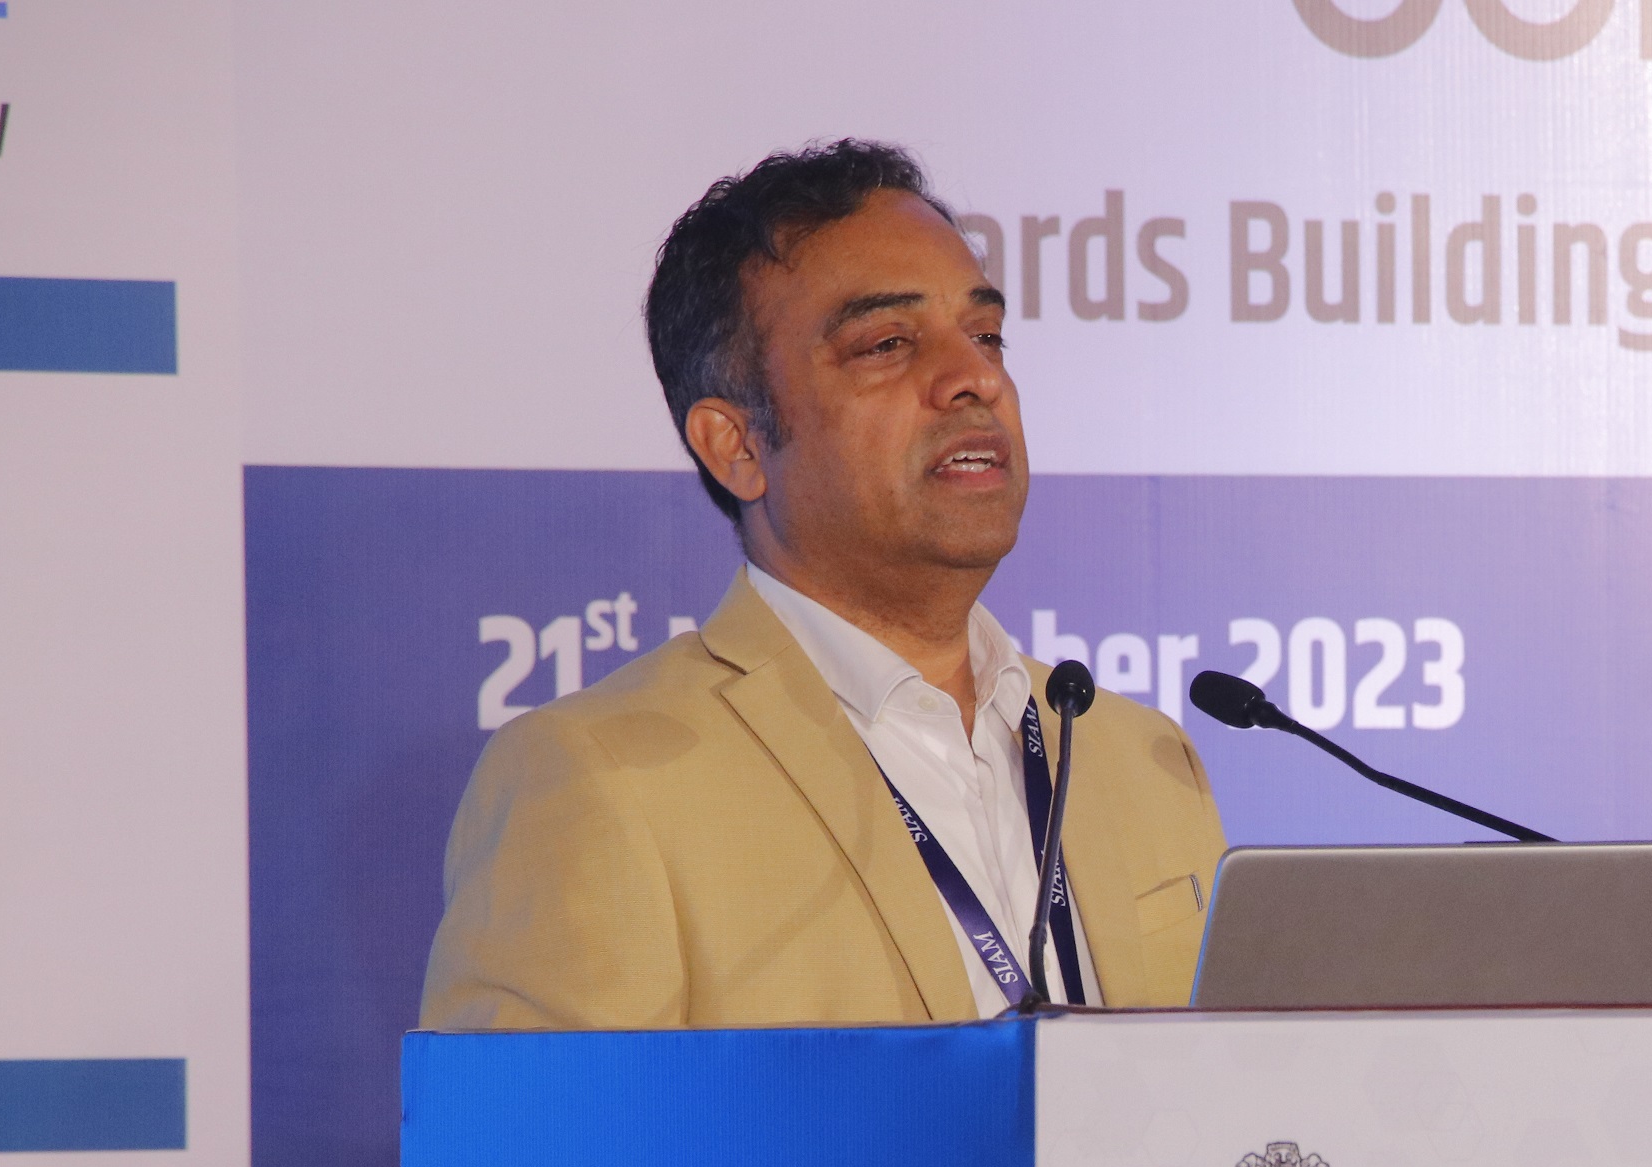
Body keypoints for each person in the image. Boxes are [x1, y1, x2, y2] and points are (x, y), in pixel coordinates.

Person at [421, 142, 1225, 1030]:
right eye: (887, 344)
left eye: (986, 335)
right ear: (737, 445)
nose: (976, 378)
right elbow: (541, 1128)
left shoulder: (1142, 760)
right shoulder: (596, 782)